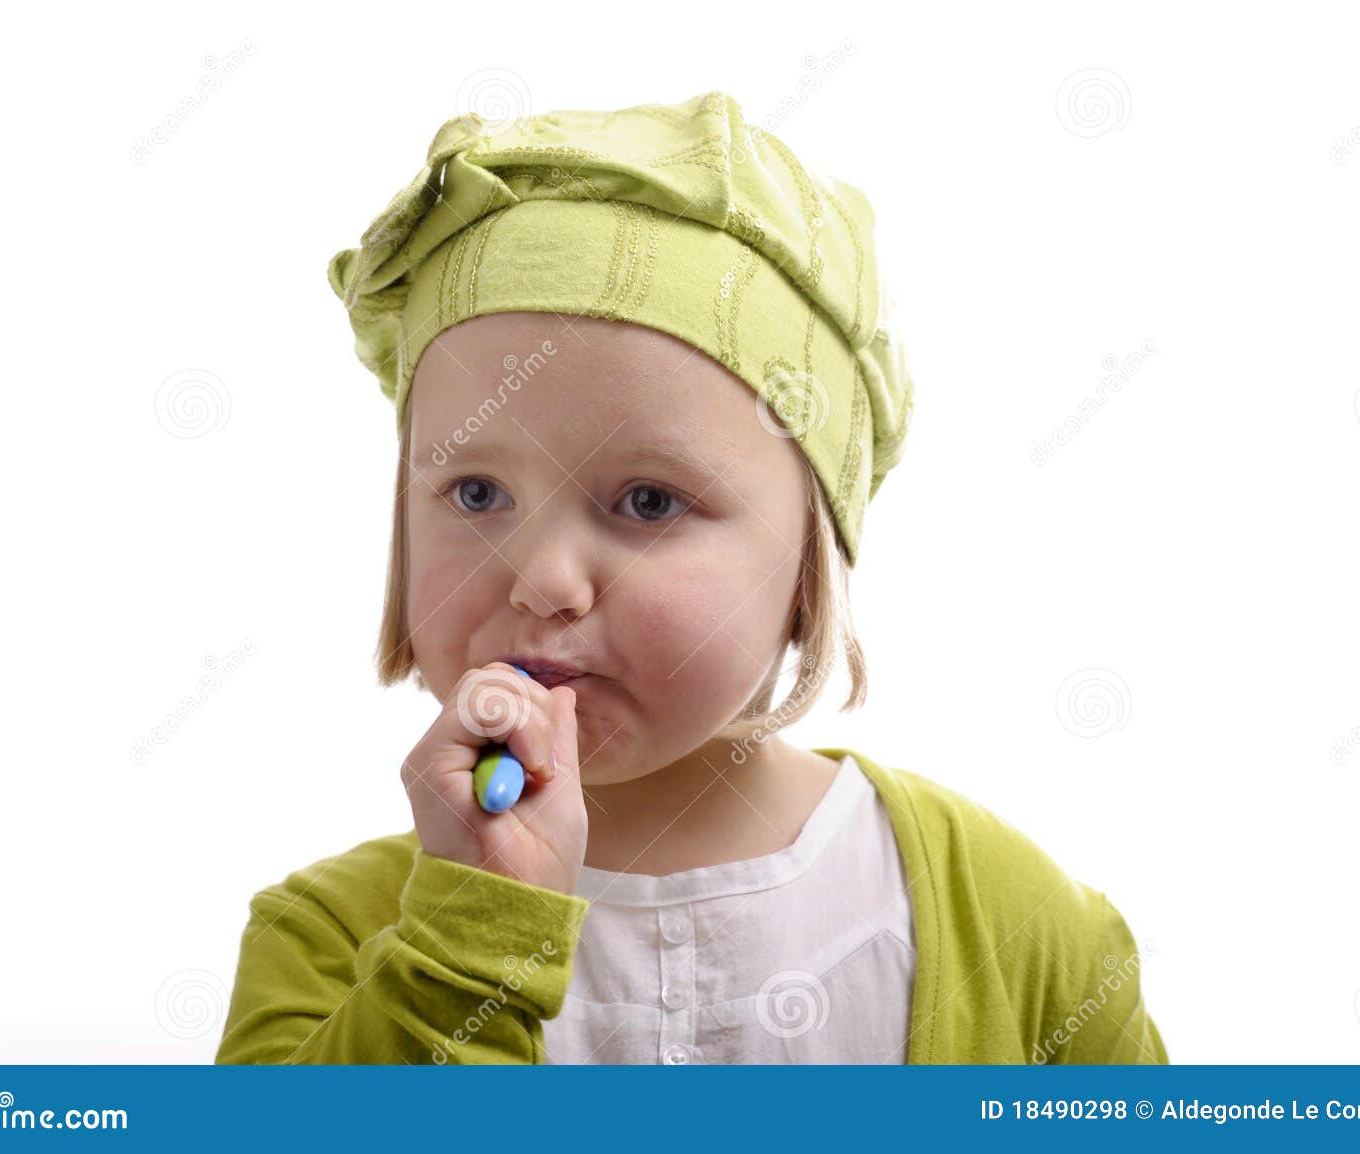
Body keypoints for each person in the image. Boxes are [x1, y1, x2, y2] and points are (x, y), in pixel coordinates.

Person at [214, 90, 1167, 1065]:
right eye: (476, 492)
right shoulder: (323, 941)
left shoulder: (1023, 931)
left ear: (809, 561)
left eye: (648, 502)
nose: (542, 580)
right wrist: (465, 944)